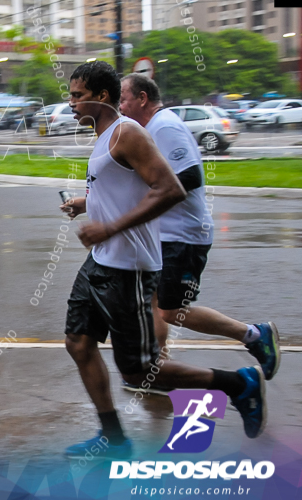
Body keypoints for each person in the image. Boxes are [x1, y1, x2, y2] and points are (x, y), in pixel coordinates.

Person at [59, 62, 266, 459]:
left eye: (76, 95)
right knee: (79, 343)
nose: (69, 104)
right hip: (100, 263)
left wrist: (110, 228)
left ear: (101, 98)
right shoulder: (103, 137)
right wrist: (87, 205)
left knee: (139, 372)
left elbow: (170, 189)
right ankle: (113, 438)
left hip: (129, 269)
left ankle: (239, 384)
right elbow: (127, 190)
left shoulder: (127, 133)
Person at [118, 73, 279, 391]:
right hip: (165, 237)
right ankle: (158, 371)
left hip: (183, 236)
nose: (120, 106)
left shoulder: (164, 126)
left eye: (123, 99)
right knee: (153, 302)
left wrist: (142, 206)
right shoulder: (152, 128)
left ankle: (255, 335)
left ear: (142, 99)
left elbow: (189, 176)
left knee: (172, 310)